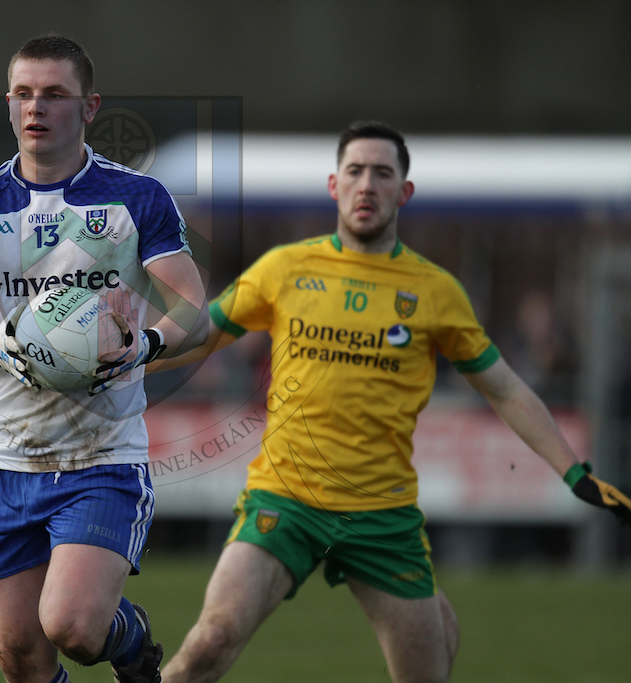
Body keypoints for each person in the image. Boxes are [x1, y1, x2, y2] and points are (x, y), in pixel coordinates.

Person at [154, 120, 631, 683]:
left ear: (403, 192)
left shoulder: (434, 292)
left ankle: (434, 617)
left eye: (383, 174)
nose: (367, 186)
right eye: (355, 172)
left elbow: (505, 388)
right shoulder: (287, 268)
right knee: (210, 643)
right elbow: (201, 333)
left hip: (381, 517)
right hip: (285, 501)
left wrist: (573, 472)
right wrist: (129, 354)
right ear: (334, 186)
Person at [0, 35, 207, 683]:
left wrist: (148, 342)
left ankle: (131, 644)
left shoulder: (137, 197)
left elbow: (193, 306)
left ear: (90, 107)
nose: (35, 107)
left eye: (54, 94)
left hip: (101, 456)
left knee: (74, 626)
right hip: (5, 456)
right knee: (20, 655)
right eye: (22, 93)